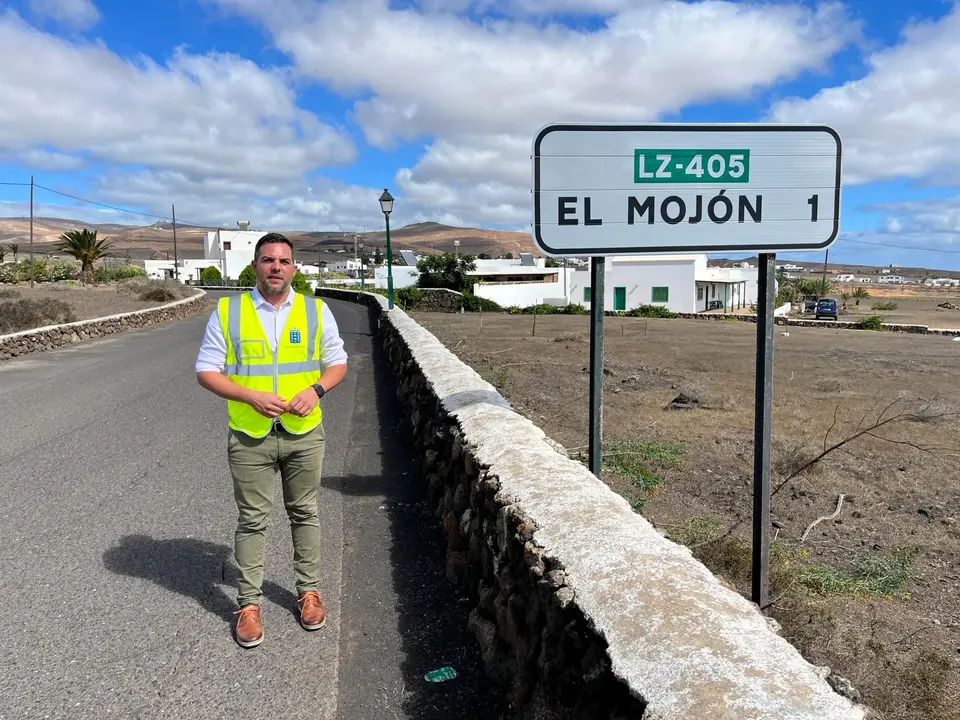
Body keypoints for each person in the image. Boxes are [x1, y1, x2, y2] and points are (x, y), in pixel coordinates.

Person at [195, 232, 348, 648]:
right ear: (254, 266)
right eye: (267, 260)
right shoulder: (228, 311)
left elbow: (337, 363)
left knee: (304, 512)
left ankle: (309, 592)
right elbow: (206, 370)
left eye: (283, 260)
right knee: (252, 520)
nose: (276, 267)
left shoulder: (316, 311)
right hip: (250, 435)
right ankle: (247, 604)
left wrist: (315, 391)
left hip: (304, 433)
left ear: (294, 268)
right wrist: (250, 395)